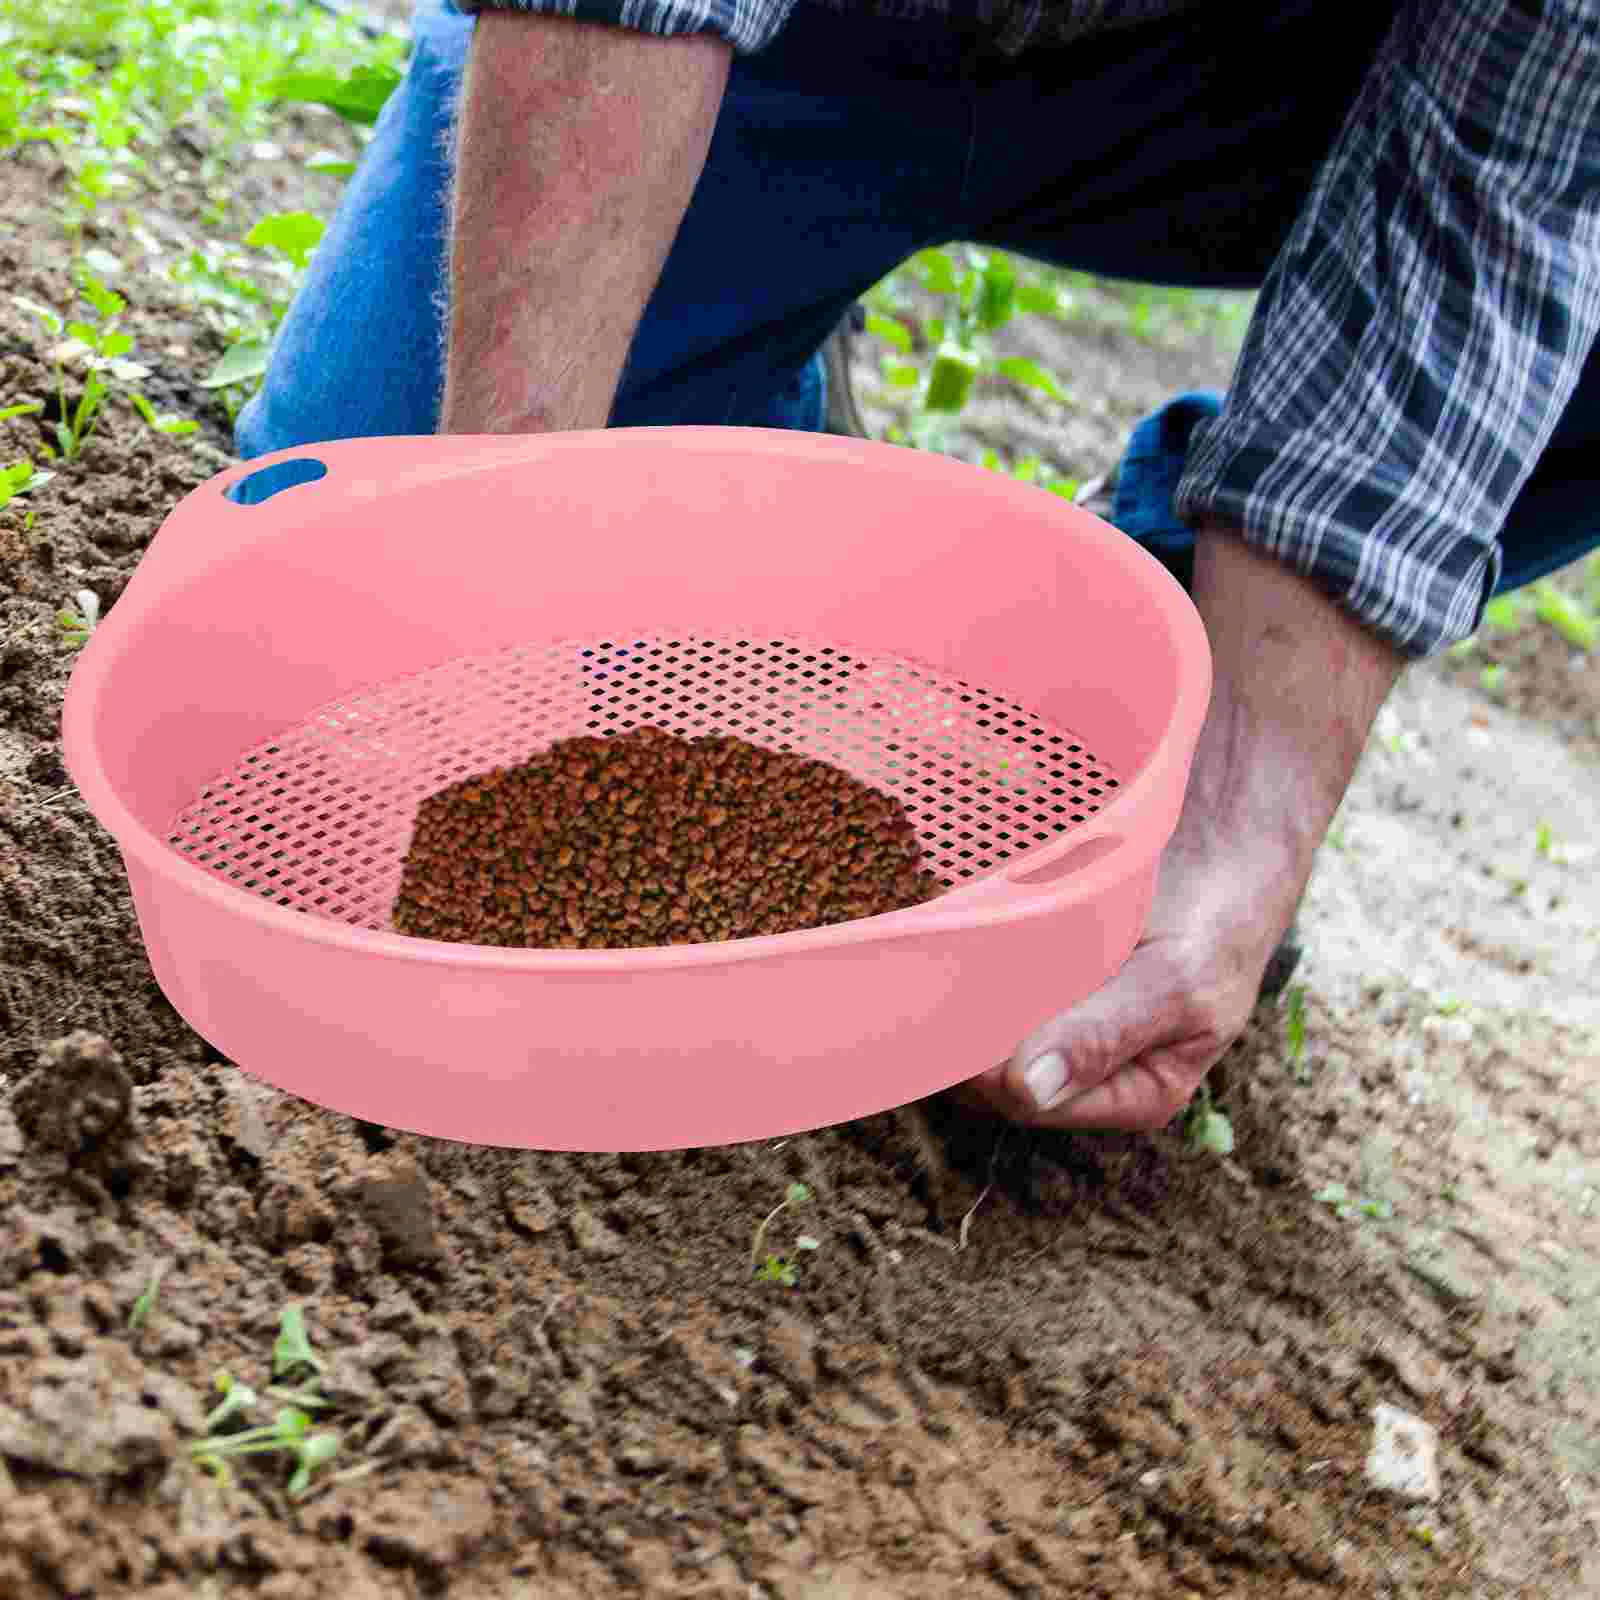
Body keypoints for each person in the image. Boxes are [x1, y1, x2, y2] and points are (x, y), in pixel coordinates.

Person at [237, 0, 1600, 1137]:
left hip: (1275, 70)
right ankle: (742, 431)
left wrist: (1240, 822)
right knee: (342, 586)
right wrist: (500, 537)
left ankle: (1134, 675)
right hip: (810, 39)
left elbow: (1500, 185)